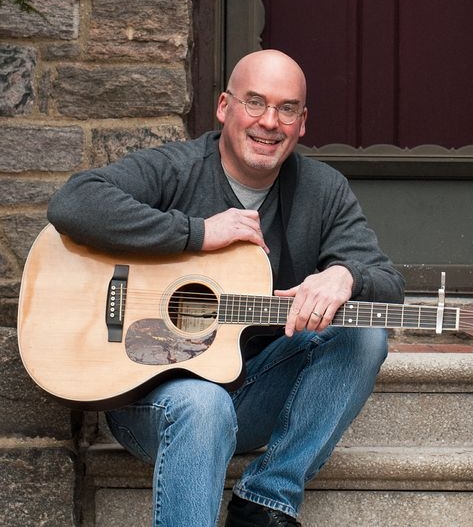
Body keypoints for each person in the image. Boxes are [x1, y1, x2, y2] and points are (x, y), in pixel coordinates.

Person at [47, 49, 405, 527]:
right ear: (223, 107)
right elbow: (74, 202)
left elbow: (388, 284)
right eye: (254, 102)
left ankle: (265, 502)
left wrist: (346, 276)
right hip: (150, 401)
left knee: (363, 336)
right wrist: (196, 233)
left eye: (287, 109)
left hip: (251, 393)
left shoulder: (323, 190)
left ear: (303, 123)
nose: (269, 122)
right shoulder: (177, 168)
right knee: (203, 403)